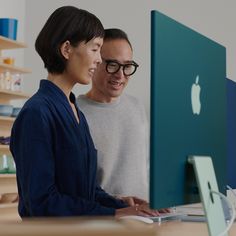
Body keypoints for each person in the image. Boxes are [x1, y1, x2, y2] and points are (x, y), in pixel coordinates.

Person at [10, 6, 159, 218]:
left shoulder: (74, 109)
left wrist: (120, 205)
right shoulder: (36, 113)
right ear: (67, 49)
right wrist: (113, 214)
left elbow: (86, 191)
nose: (99, 59)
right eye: (95, 48)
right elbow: (41, 202)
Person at [77, 29, 149, 204]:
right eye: (112, 65)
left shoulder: (137, 106)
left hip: (147, 217)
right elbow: (74, 185)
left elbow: (145, 167)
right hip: (104, 219)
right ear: (95, 63)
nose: (120, 74)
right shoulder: (75, 112)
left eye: (127, 66)